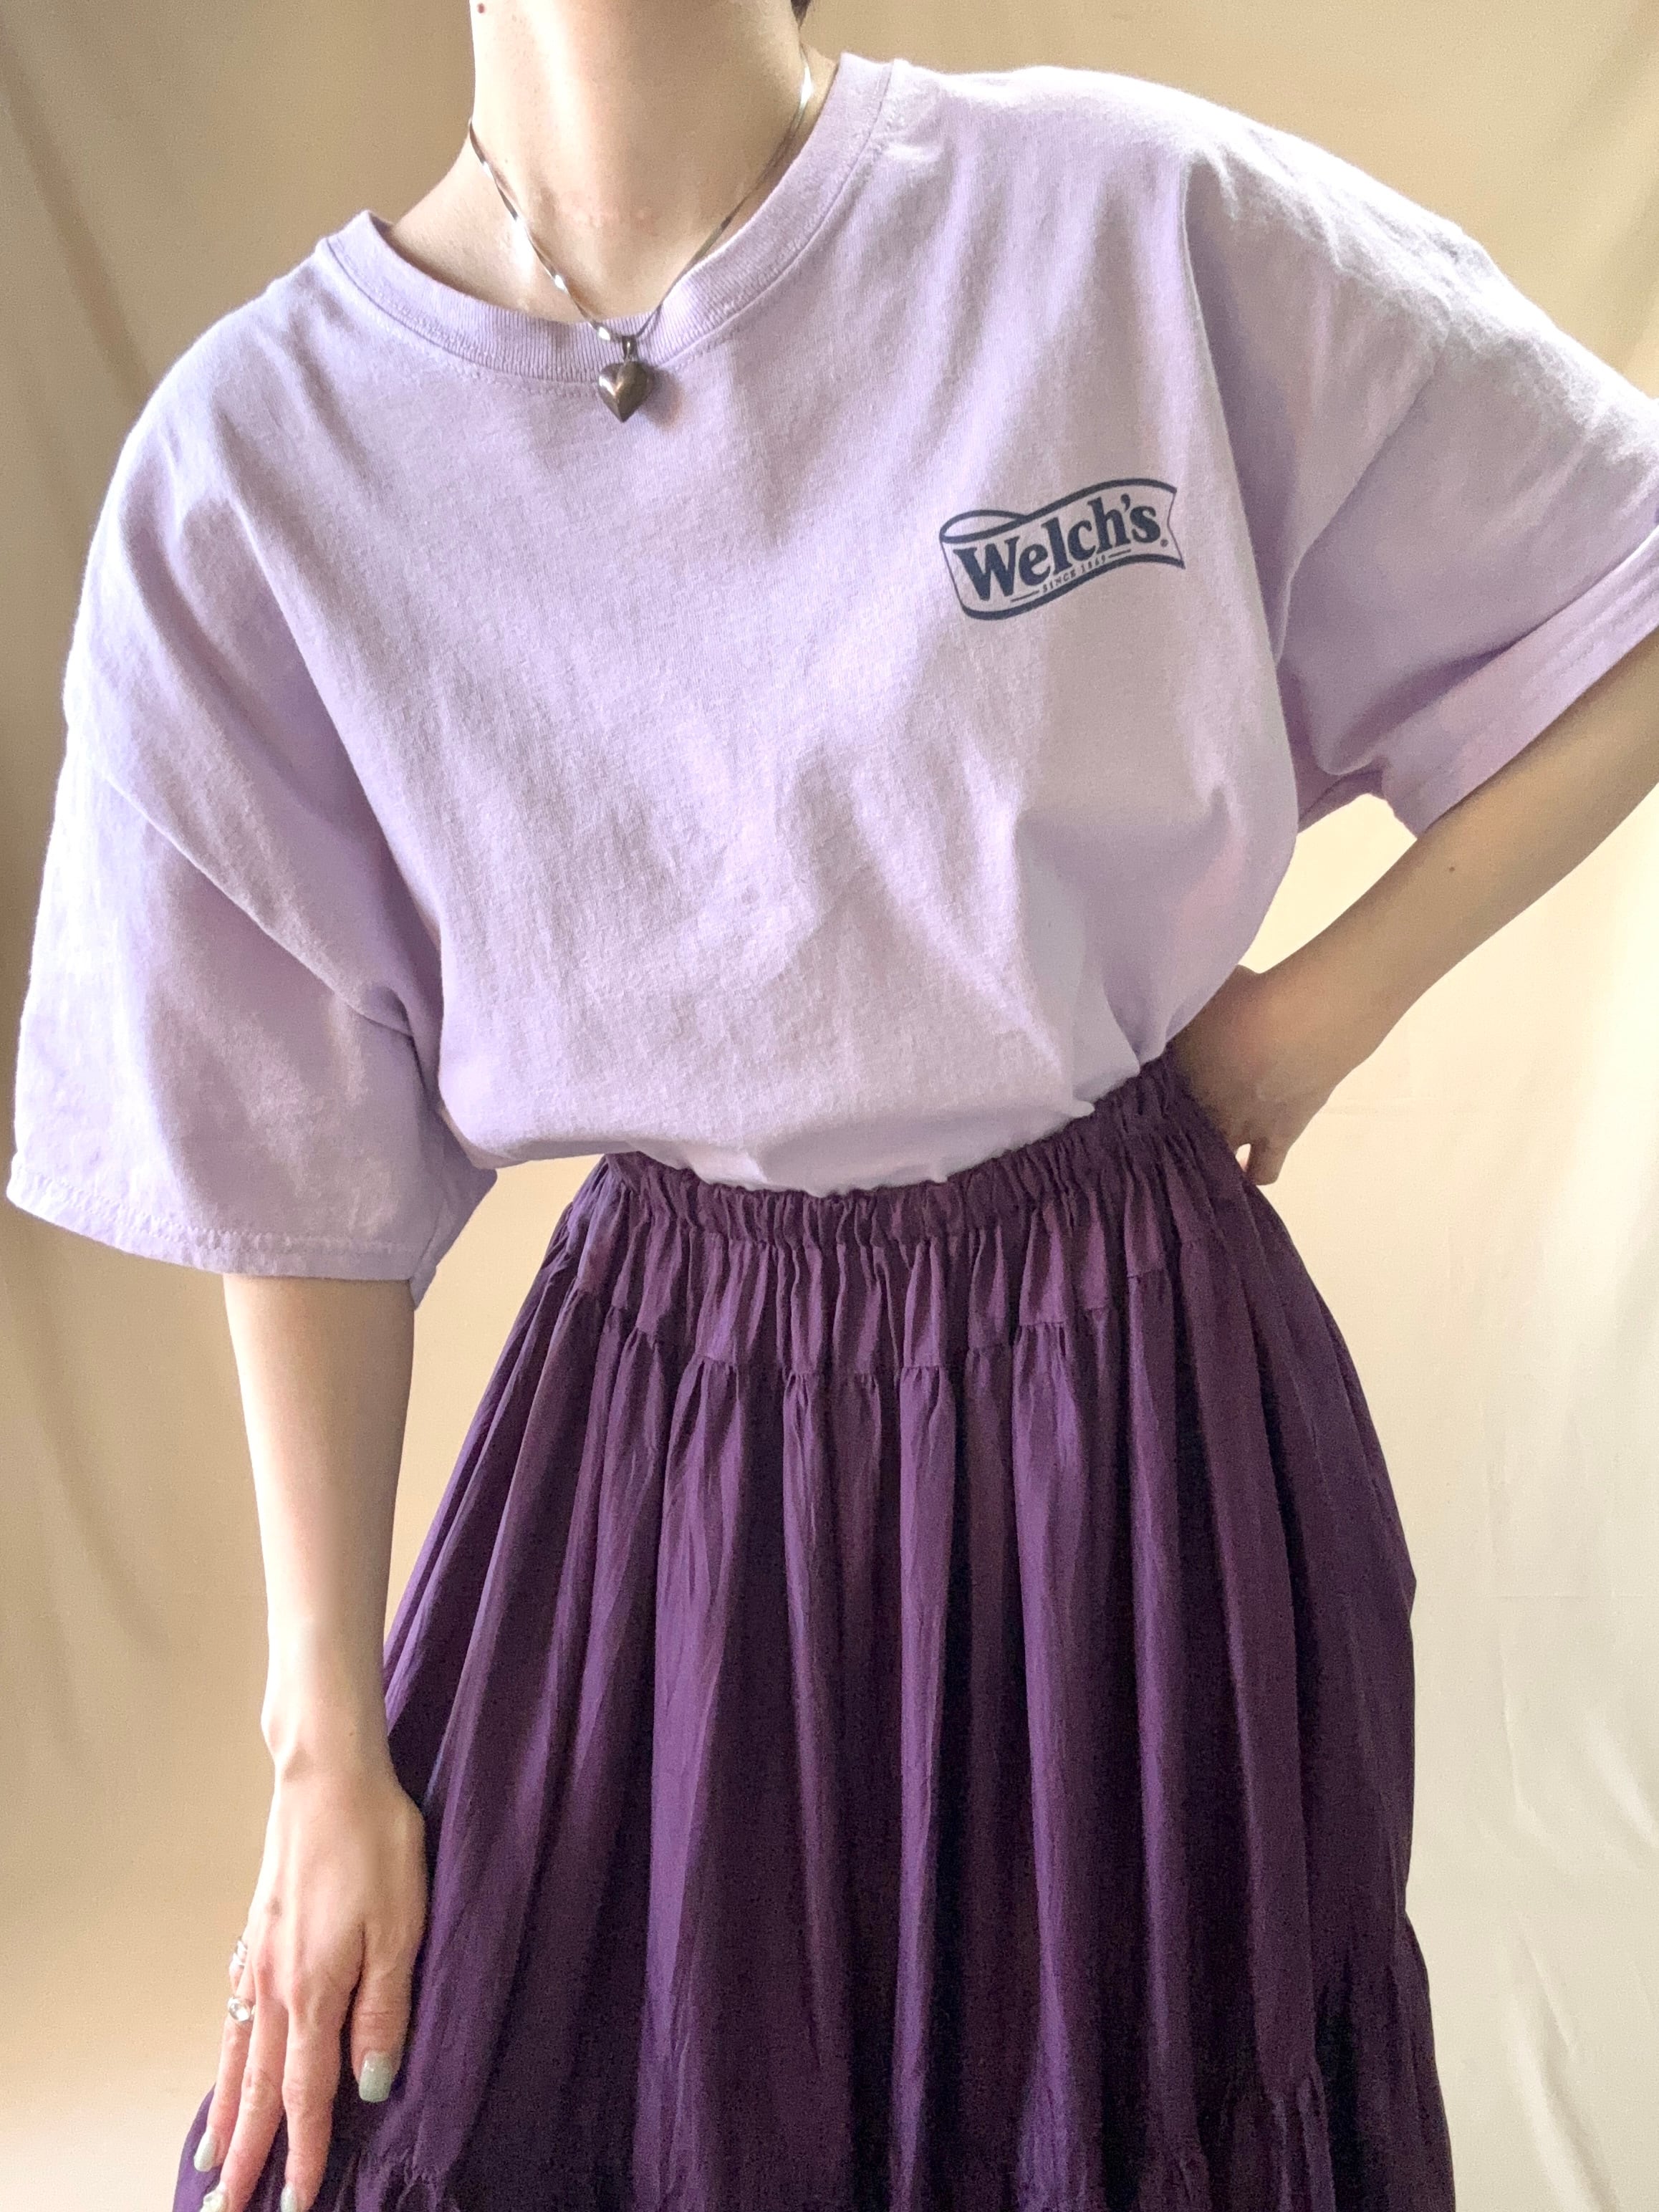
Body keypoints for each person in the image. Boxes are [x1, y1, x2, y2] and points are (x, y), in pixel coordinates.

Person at [9, 0, 1659, 2205]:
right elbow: (287, 1150)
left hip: (1131, 1408)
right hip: (671, 1429)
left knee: (1129, 2125)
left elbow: (1624, 577)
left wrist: (1307, 1022)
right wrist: (322, 1740)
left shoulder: (1117, 223)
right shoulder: (261, 466)